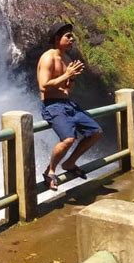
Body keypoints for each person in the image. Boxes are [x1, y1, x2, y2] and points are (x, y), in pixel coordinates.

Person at [37, 22, 102, 190]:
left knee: (96, 132)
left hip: (68, 104)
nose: (72, 39)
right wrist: (67, 74)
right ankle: (50, 171)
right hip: (52, 105)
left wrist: (71, 78)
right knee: (68, 139)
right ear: (57, 39)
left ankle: (70, 162)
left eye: (71, 36)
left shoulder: (67, 59)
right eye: (68, 36)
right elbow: (43, 86)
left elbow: (67, 89)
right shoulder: (48, 57)